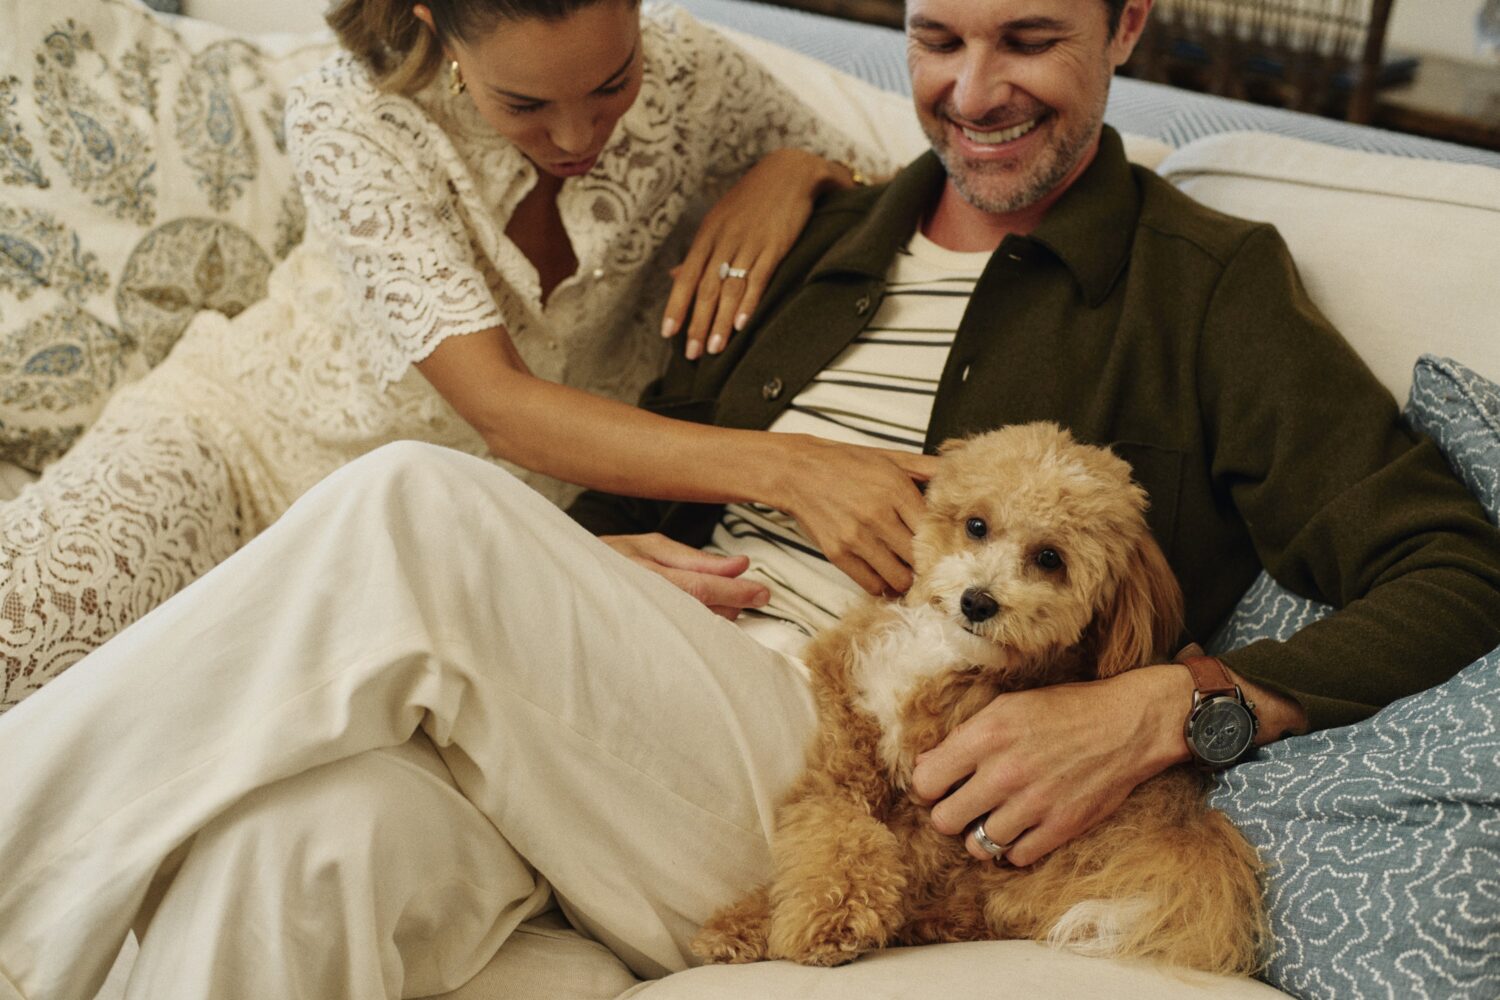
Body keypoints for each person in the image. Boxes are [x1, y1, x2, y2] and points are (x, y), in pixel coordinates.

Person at [3, 0, 1499, 996]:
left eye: (1032, 38)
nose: (974, 94)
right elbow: (662, 448)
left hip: (840, 764)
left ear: (1126, 27)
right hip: (621, 707)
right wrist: (611, 555)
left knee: (419, 506)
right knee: (306, 845)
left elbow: (1452, 564)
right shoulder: (839, 240)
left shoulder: (1202, 285)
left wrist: (1172, 707)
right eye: (937, 38)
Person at [0, 0, 935, 712]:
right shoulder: (351, 113)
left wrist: (799, 171)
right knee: (23, 637)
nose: (577, 135)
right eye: (523, 102)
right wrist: (793, 468)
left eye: (612, 83)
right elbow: (500, 405)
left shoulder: (698, 76)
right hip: (240, 452)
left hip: (454, 561)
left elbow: (906, 197)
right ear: (433, 26)